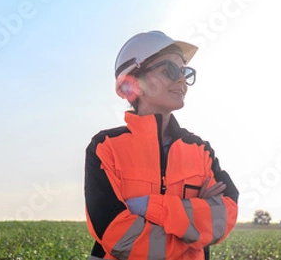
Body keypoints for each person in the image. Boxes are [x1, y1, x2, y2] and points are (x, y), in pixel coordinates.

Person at [85, 30, 239, 260]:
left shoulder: (201, 151)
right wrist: (191, 232)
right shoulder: (106, 147)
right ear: (134, 83)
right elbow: (117, 236)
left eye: (185, 72)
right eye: (170, 69)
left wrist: (149, 207)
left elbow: (222, 219)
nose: (181, 79)